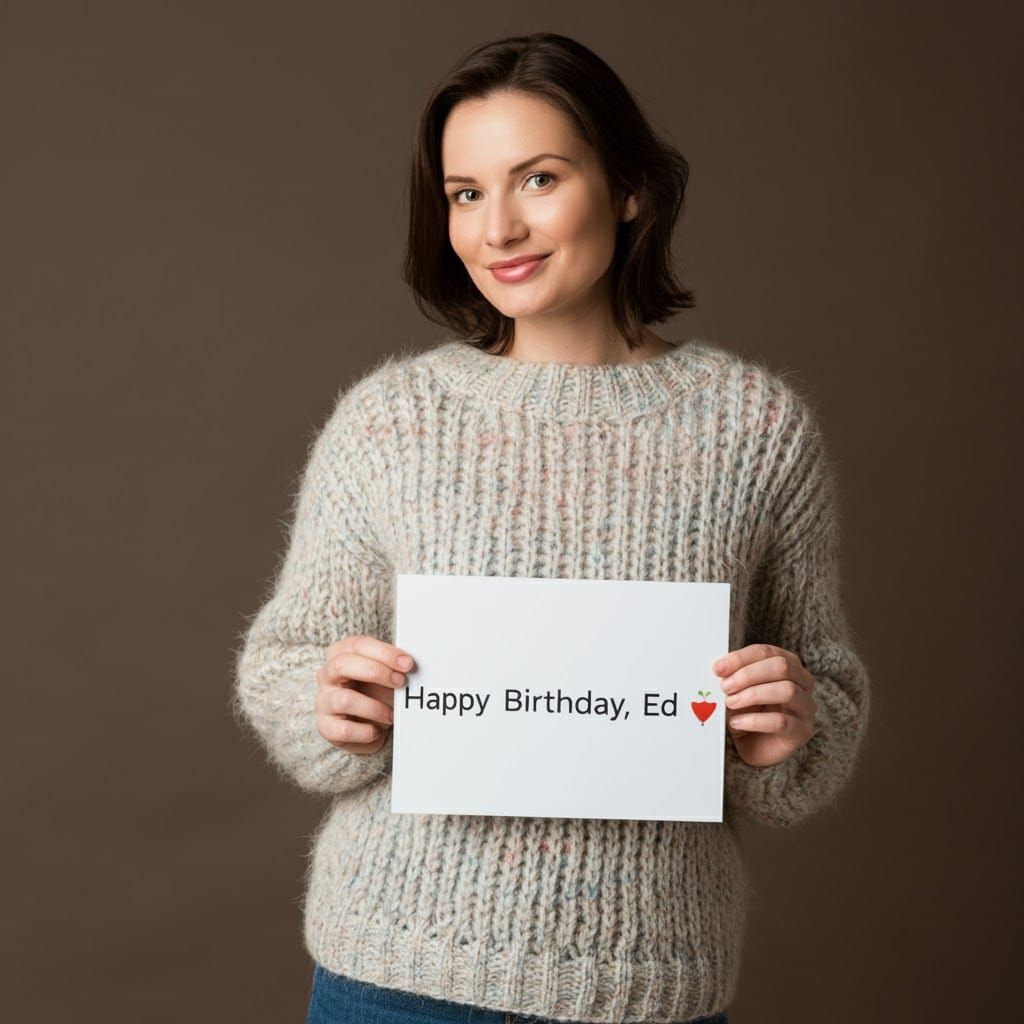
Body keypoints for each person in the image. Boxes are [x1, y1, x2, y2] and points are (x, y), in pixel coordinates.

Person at [231, 31, 871, 1024]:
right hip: (396, 976)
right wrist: (326, 704)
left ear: (627, 189)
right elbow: (281, 661)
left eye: (538, 178)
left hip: (651, 983)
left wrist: (790, 723)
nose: (499, 229)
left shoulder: (754, 428)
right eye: (466, 193)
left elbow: (820, 690)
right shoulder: (389, 422)